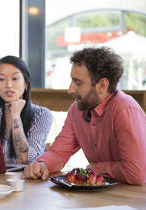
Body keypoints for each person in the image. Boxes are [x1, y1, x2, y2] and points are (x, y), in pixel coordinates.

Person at [24, 47, 146, 185]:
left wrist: (98, 168)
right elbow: (59, 152)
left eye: (78, 83)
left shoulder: (125, 109)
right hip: (105, 195)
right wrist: (42, 164)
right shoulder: (76, 111)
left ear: (102, 85)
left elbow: (137, 173)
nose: (70, 90)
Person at [0, 55, 53, 165]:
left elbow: (26, 159)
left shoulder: (42, 115)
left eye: (15, 79)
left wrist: (15, 116)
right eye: (1, 79)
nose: (8, 85)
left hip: (23, 180)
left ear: (26, 84)